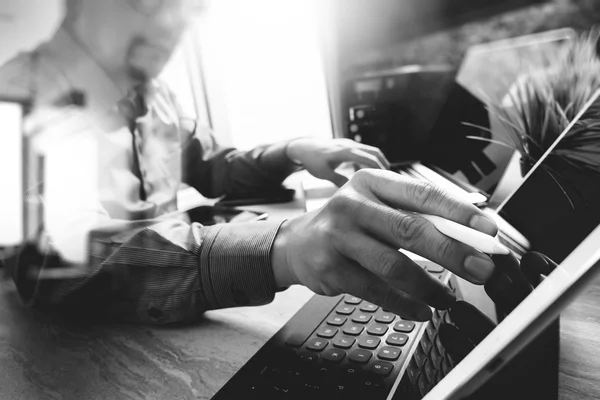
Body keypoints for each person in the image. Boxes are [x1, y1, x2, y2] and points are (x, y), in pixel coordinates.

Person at [0, 0, 499, 324]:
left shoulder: (155, 94)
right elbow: (47, 261)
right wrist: (279, 250)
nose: (171, 23)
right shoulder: (12, 98)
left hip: (179, 324)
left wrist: (292, 151)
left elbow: (212, 165)